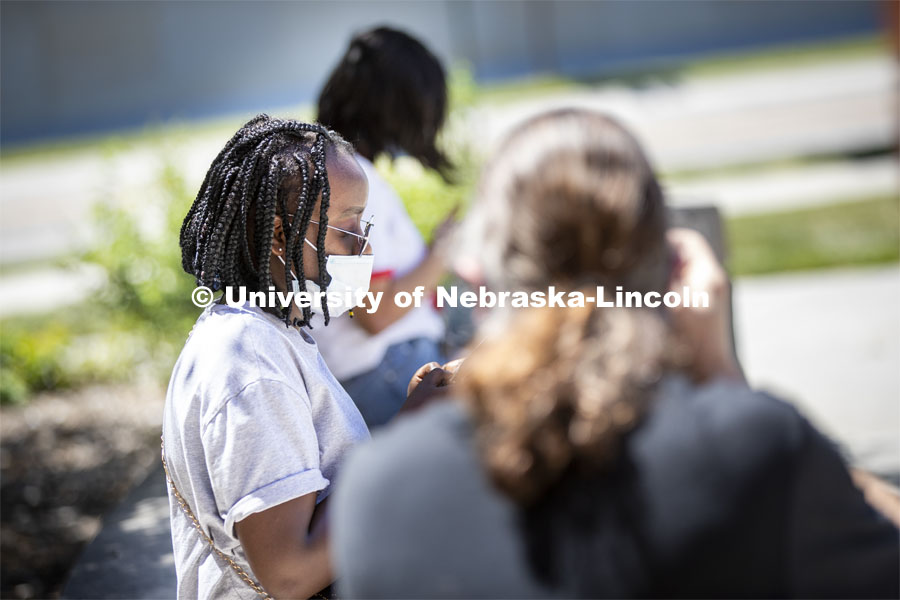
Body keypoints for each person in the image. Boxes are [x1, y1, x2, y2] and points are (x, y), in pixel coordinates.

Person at [331, 109, 900, 598]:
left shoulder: (376, 493)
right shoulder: (755, 448)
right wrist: (717, 371)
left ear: (475, 280)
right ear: (673, 270)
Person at [162, 115, 445, 599]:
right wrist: (409, 430)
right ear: (278, 235)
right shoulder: (248, 363)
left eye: (365, 224)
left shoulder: (272, 334)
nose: (366, 247)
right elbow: (290, 574)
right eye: (346, 227)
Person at [312, 26, 457, 428]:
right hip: (385, 373)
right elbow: (375, 313)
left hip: (378, 371)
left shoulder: (336, 169)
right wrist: (443, 250)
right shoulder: (357, 182)